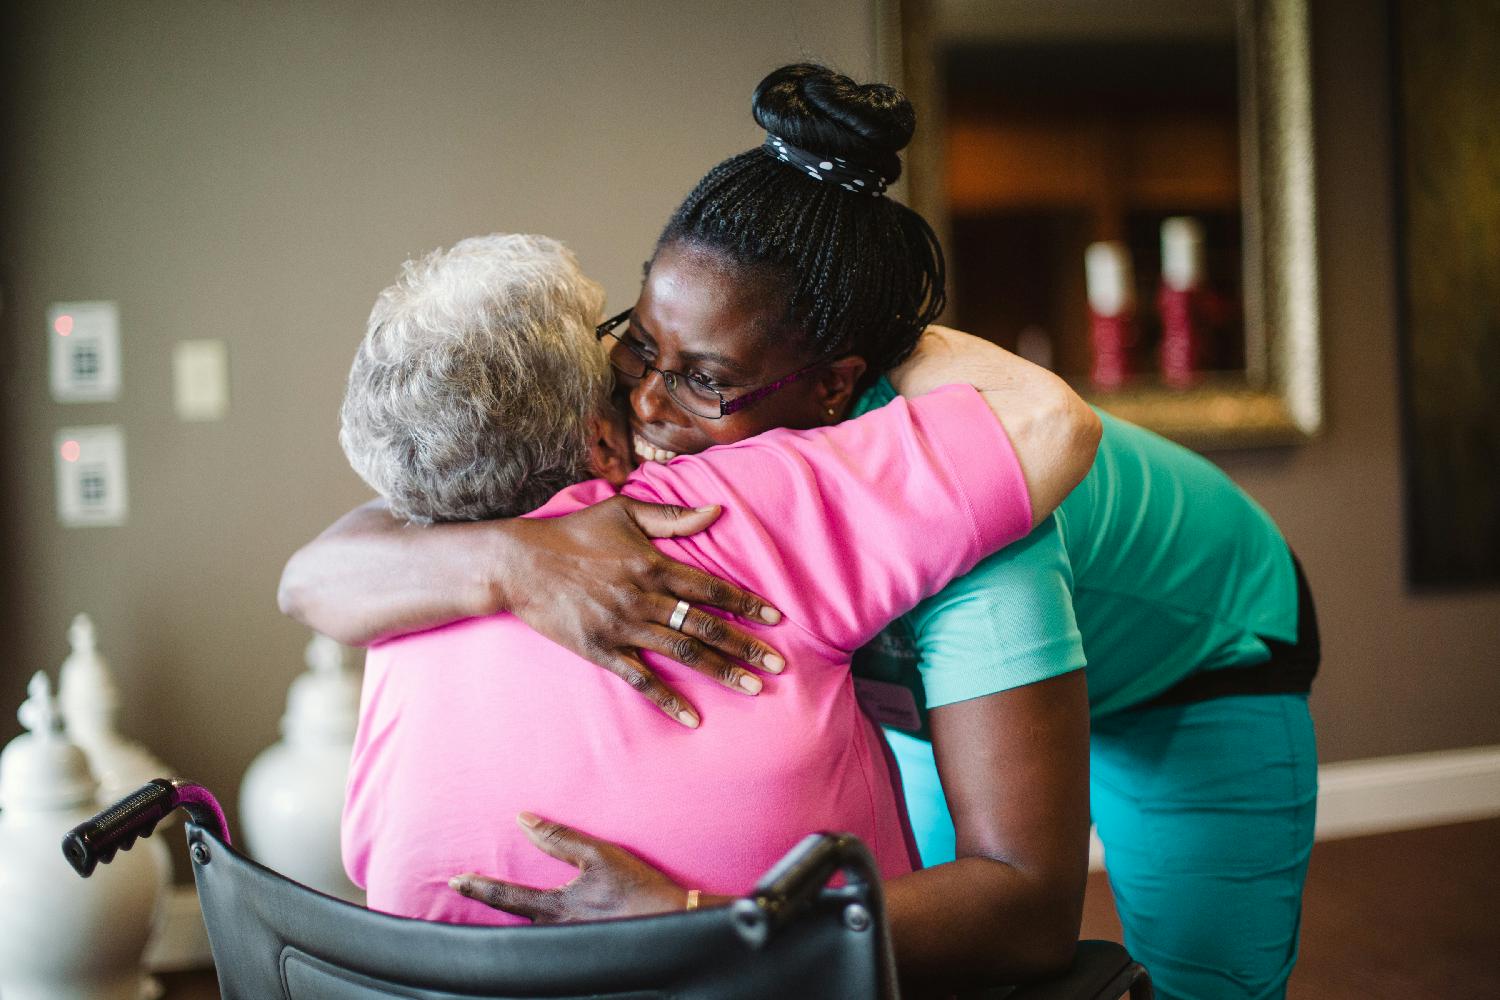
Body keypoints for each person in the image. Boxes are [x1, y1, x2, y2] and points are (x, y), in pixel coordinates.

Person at [283, 64, 1318, 999]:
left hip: (1205, 651)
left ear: (831, 388)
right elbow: (321, 574)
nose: (642, 406)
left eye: (705, 380)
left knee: (1199, 984)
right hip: (918, 692)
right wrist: (510, 557)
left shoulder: (970, 519)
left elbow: (1025, 908)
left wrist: (701, 928)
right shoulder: (675, 441)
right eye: (638, 345)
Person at [334, 232, 1100, 929]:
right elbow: (1047, 421)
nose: (646, 396)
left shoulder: (398, 599)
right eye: (621, 358)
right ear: (601, 440)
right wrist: (884, 328)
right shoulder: (723, 508)